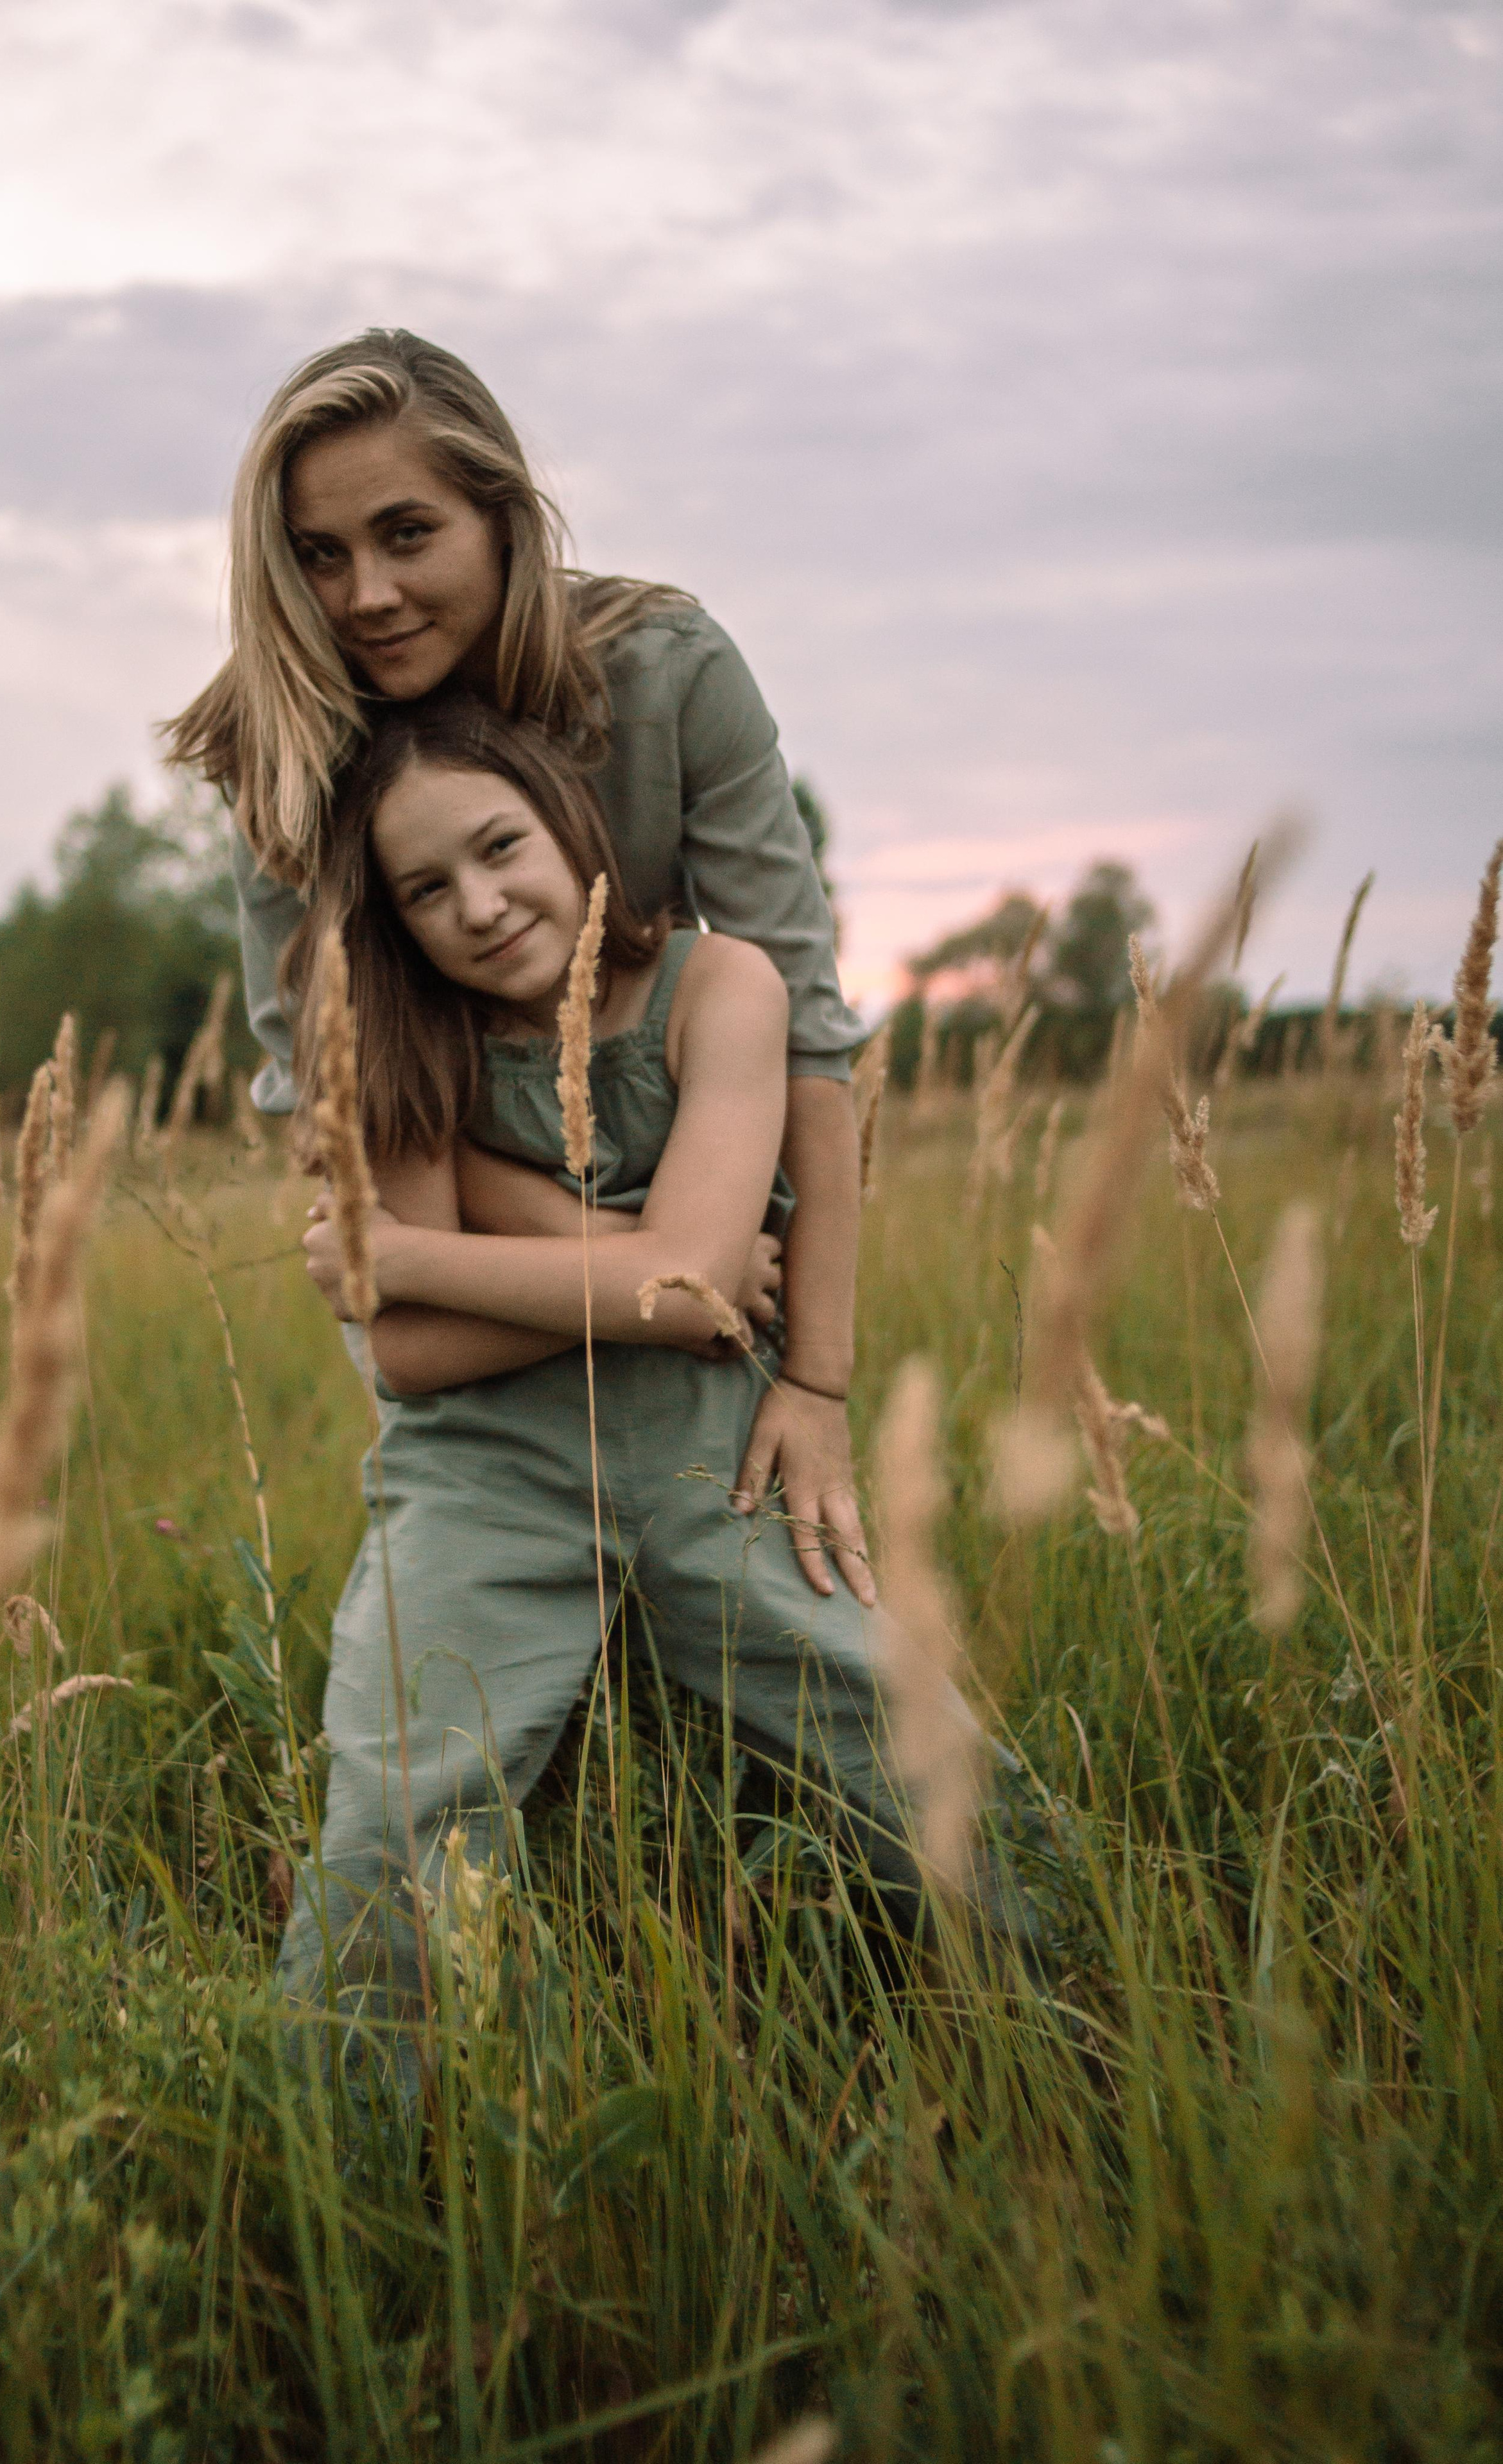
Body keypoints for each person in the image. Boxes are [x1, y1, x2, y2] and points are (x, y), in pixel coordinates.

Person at [276, 697, 951, 2079]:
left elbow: (696, 1279)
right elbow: (408, 1356)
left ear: (573, 821)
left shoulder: (722, 988)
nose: (476, 903)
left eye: (498, 846)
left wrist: (419, 1247)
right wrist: (647, 1283)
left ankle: (1069, 2039)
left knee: (910, 1755)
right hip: (483, 1472)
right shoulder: (405, 1039)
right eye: (424, 888)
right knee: (400, 1798)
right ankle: (340, 2159)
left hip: (725, 1457)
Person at [164, 327, 875, 1607]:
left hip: (700, 1222)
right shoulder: (282, 741)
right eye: (320, 556)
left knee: (755, 1644)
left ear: (501, 515)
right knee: (478, 1682)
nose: (366, 594)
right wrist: (631, 1259)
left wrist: (814, 1378)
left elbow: (808, 1036)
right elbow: (320, 1094)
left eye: (405, 533)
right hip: (463, 1249)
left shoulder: (668, 671)